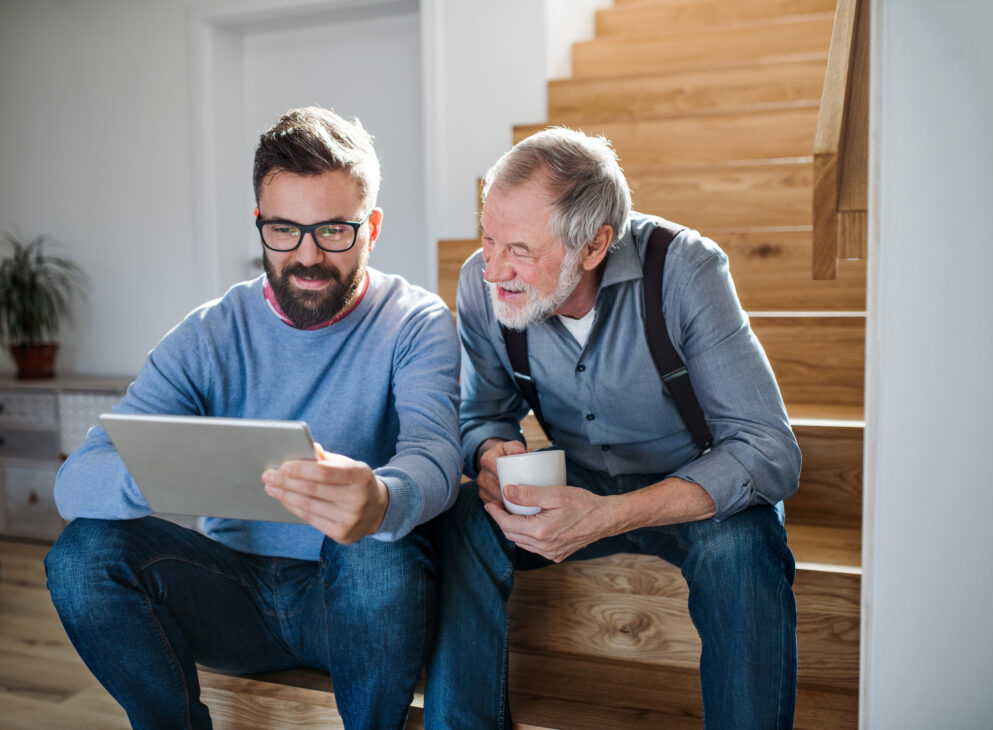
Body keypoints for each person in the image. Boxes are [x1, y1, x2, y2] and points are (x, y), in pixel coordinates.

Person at [45, 106, 462, 730]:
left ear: (371, 227)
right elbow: (74, 483)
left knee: (377, 546)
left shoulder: (417, 321)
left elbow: (436, 454)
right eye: (285, 230)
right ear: (260, 224)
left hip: (352, 599)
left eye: (334, 231)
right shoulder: (211, 332)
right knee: (81, 555)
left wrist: (381, 496)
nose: (308, 256)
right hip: (230, 595)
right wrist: (168, 469)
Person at [423, 127, 800, 730]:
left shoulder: (685, 269)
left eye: (518, 249)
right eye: (487, 237)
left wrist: (608, 515)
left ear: (595, 246)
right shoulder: (481, 281)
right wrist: (492, 451)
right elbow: (483, 412)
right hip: (579, 477)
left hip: (691, 489)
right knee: (463, 519)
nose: (494, 268)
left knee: (742, 545)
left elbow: (769, 451)